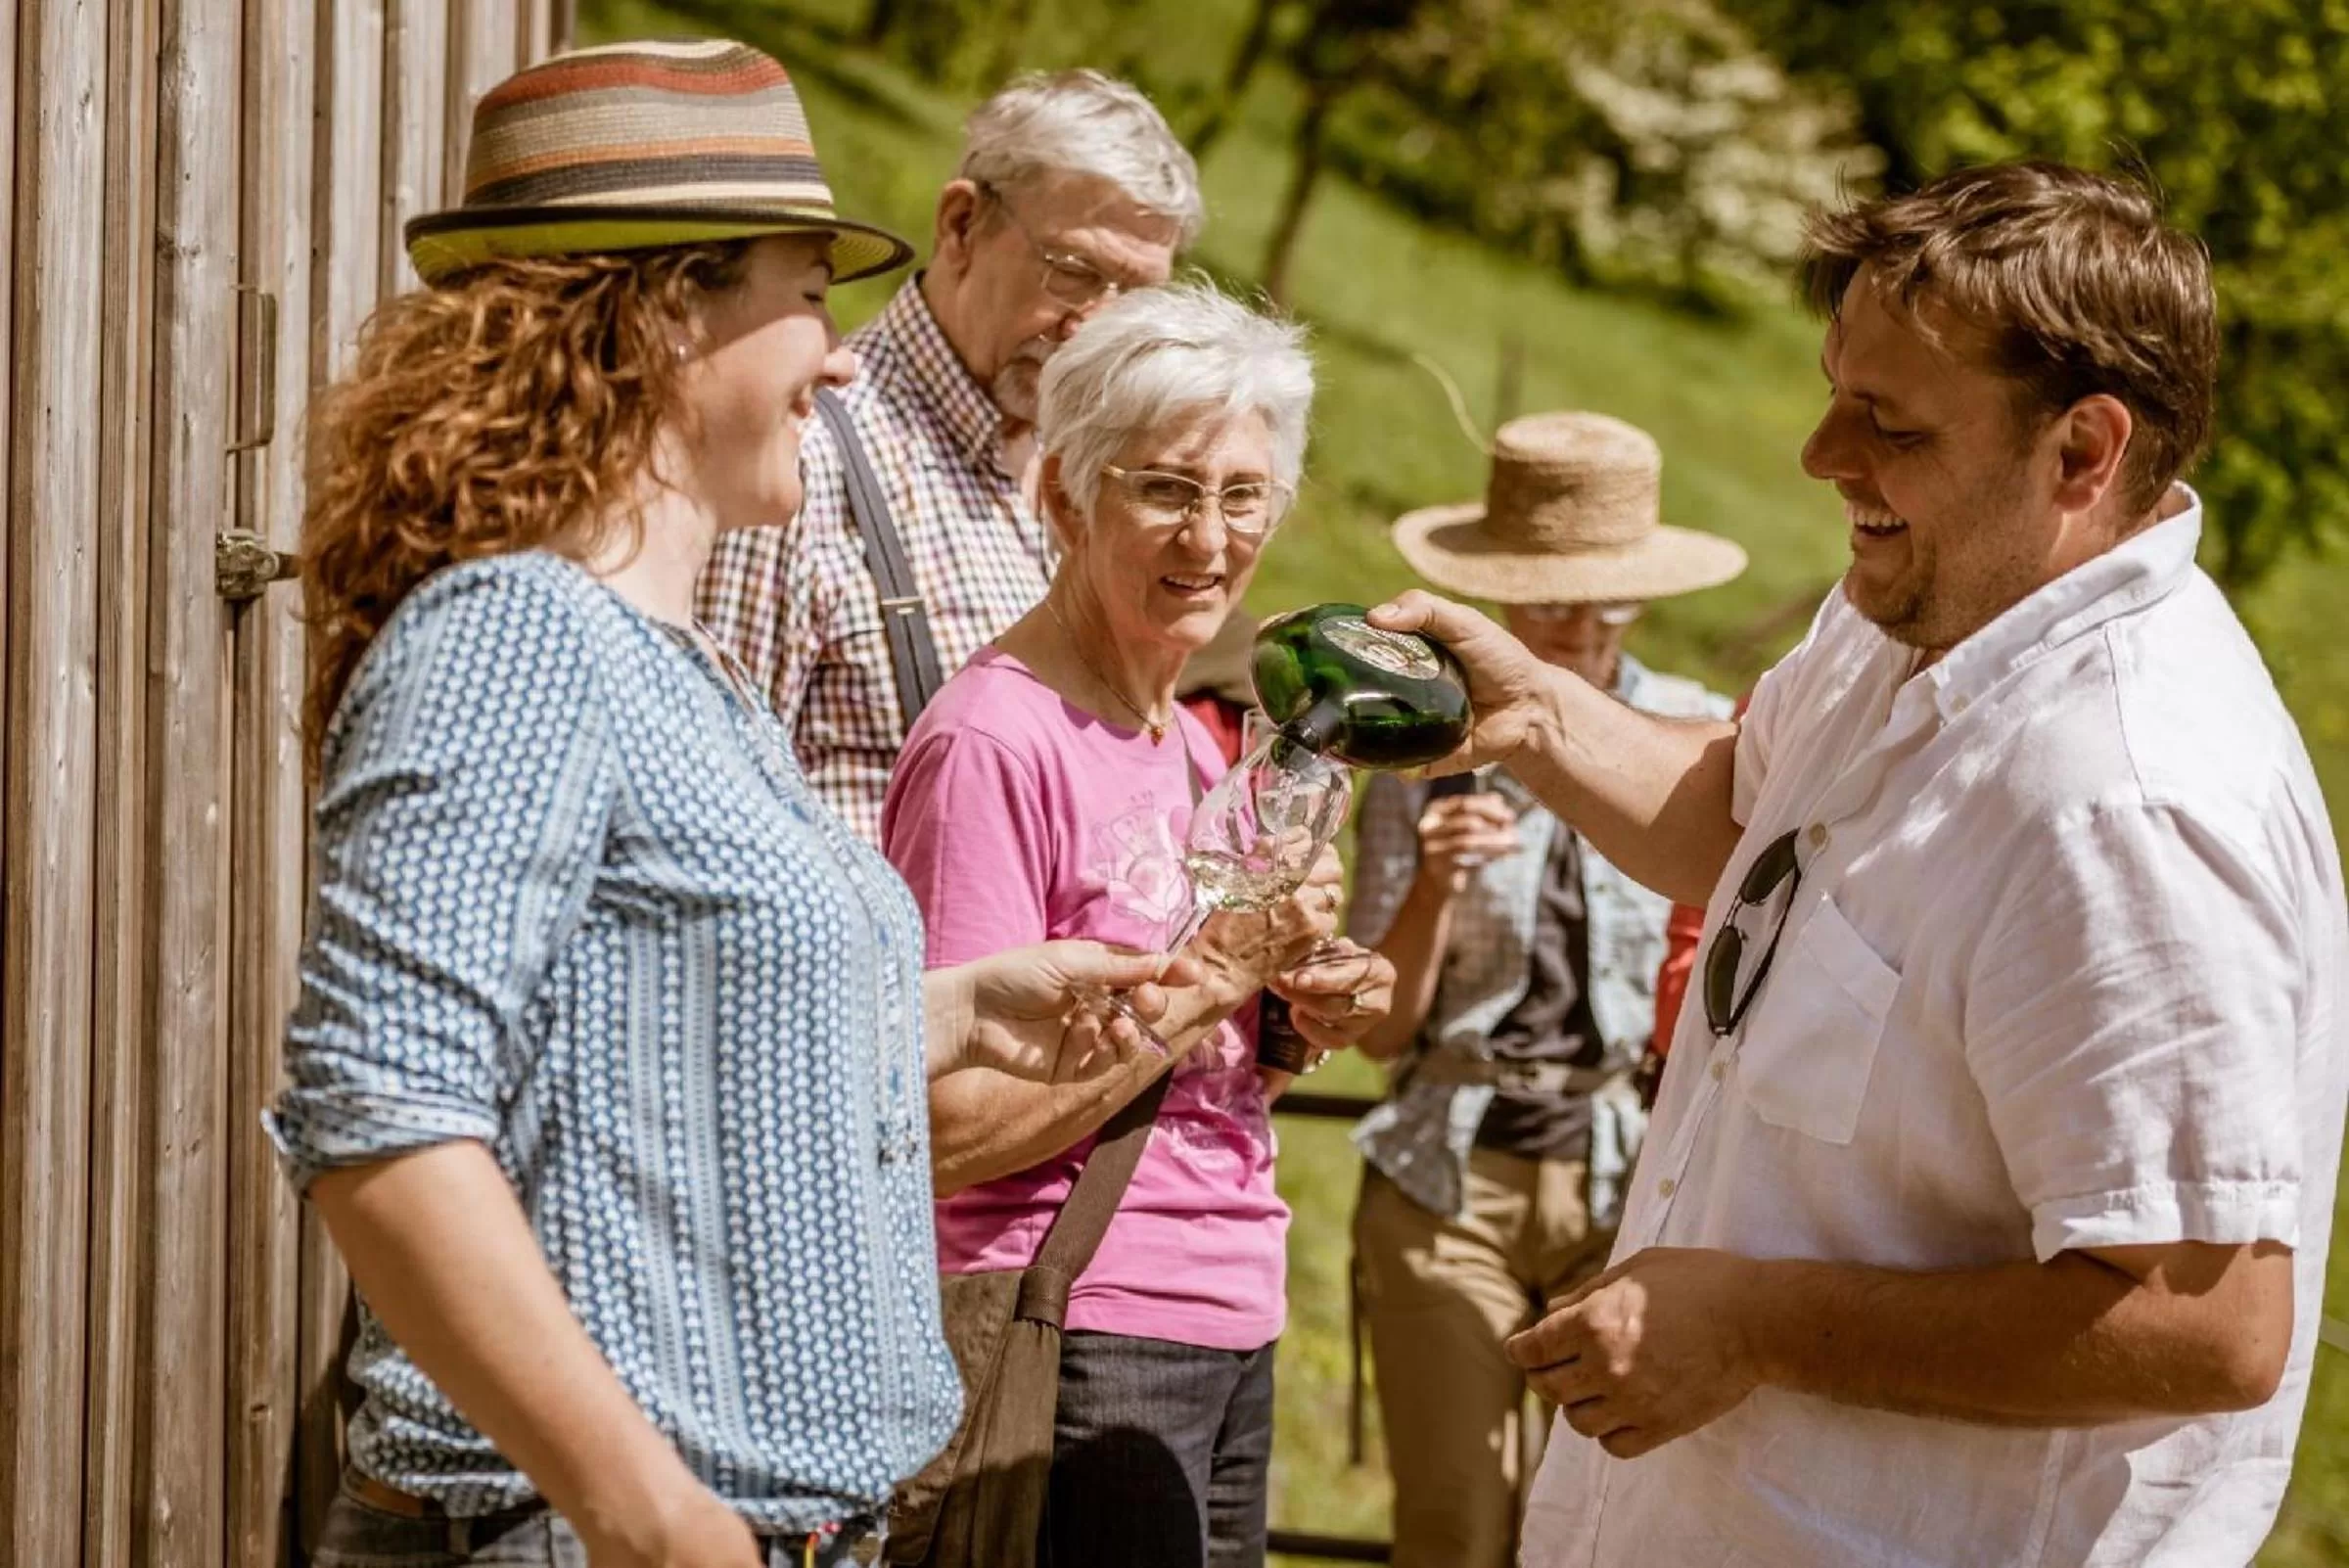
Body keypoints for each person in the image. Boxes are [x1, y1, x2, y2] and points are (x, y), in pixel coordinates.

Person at [271, 42, 1192, 1568]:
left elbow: (653, 1041)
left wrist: (951, 1011)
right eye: (809, 298)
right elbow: (384, 1119)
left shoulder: (676, 666)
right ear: (662, 316)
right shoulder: (517, 635)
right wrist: (650, 1512)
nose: (841, 363)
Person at [1367, 161, 2349, 1567]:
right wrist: (1535, 714)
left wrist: (1757, 1325)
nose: (1821, 453)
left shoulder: (2127, 806)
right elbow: (1740, 825)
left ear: (2083, 452)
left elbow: (2207, 1322)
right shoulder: (1924, 603)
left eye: (1889, 422)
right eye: (1836, 391)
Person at [881, 282, 1399, 1568]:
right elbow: (938, 1125)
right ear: (1066, 495)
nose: (1211, 537)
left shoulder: (1194, 738)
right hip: (1072, 1321)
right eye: (1166, 489)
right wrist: (1220, 971)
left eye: (1244, 495)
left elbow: (1203, 1067)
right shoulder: (994, 740)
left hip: (1229, 1310)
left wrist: (1298, 1010)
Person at [1344, 411, 1742, 1568]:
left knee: (1618, 1527)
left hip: (1625, 1179)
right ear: (1500, 593)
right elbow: (1382, 1031)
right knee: (1458, 1523)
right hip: (1449, 1173)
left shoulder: (1696, 743)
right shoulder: (1425, 746)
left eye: (1605, 599)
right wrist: (1431, 886)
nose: (1578, 623)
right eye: (1549, 596)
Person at [701, 69, 1201, 843]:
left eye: (1134, 298)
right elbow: (708, 818)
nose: (1098, 330)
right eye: (1074, 272)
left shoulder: (1088, 481)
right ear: (962, 225)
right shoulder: (798, 461)